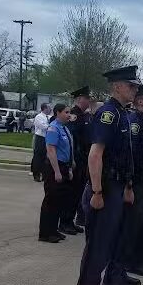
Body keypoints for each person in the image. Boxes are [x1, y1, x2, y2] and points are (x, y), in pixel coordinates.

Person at [75, 65, 140, 285]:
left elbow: (124, 156)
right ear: (117, 87)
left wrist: (126, 187)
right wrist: (98, 191)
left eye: (135, 86)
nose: (135, 89)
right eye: (131, 85)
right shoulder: (108, 114)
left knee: (106, 245)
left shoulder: (122, 114)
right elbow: (95, 155)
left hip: (115, 187)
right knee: (97, 245)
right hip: (104, 188)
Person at [108, 81, 143, 283]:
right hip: (132, 184)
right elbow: (130, 156)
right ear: (140, 102)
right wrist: (130, 184)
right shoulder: (134, 122)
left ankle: (123, 269)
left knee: (135, 228)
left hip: (140, 183)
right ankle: (116, 272)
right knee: (127, 229)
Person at [38, 104, 74, 243]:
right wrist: (57, 171)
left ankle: (54, 230)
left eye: (69, 112)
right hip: (54, 167)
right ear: (57, 113)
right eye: (66, 112)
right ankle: (45, 233)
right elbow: (51, 150)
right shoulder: (53, 128)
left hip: (64, 166)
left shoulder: (64, 128)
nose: (69, 115)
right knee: (51, 200)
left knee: (59, 201)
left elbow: (69, 148)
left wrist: (70, 167)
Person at [64, 86, 92, 233]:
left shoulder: (83, 115)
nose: (89, 101)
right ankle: (65, 221)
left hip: (83, 159)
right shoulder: (74, 115)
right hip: (76, 159)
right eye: (87, 98)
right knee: (72, 192)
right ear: (80, 99)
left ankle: (71, 220)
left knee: (77, 192)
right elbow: (72, 138)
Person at [31, 104, 52, 182]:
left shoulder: (49, 117)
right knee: (38, 156)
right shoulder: (39, 117)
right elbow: (43, 126)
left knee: (45, 157)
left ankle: (44, 174)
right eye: (49, 108)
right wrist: (51, 126)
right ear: (45, 108)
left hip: (47, 138)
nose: (51, 109)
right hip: (40, 138)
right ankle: (36, 174)